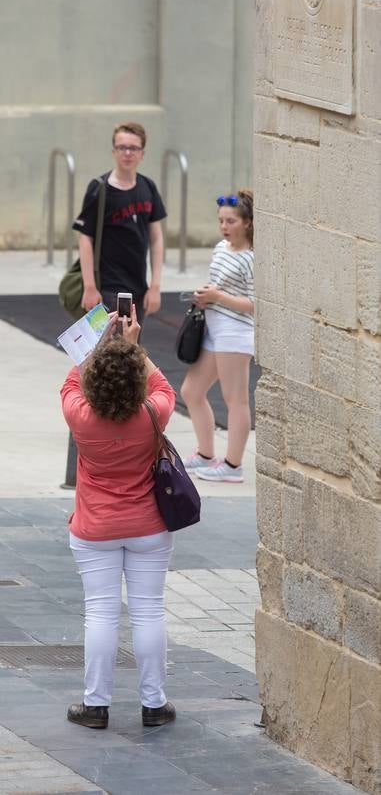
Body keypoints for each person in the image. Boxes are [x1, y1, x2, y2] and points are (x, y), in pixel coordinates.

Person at [60, 306, 176, 729]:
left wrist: (99, 344)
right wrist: (134, 348)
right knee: (148, 611)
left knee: (101, 613)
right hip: (148, 527)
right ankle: (153, 704)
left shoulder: (80, 416)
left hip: (95, 529)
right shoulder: (152, 414)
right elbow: (162, 384)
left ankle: (95, 704)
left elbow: (74, 378)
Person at [181, 190, 254, 483]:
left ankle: (234, 465)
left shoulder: (251, 259)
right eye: (221, 220)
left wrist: (218, 296)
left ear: (247, 223)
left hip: (235, 332)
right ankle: (206, 454)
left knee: (235, 399)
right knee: (191, 391)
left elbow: (254, 304)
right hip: (213, 327)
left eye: (231, 221)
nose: (225, 226)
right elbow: (219, 286)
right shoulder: (220, 249)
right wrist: (206, 296)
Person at [73, 121, 166, 326]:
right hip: (107, 287)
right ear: (113, 151)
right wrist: (89, 286)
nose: (127, 153)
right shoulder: (99, 188)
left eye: (133, 148)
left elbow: (156, 238)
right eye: (122, 147)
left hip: (138, 287)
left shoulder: (147, 187)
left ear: (142, 153)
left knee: (130, 349)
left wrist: (155, 286)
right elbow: (85, 238)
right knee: (106, 352)